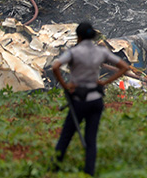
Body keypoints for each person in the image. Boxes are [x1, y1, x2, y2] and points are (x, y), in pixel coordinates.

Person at [51, 22, 130, 176]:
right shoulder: (100, 51)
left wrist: (66, 86)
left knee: (66, 135)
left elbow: (55, 67)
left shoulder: (74, 52)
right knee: (91, 139)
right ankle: (89, 172)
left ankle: (54, 168)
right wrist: (105, 82)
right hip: (96, 100)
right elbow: (125, 67)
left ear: (78, 36)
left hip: (79, 100)